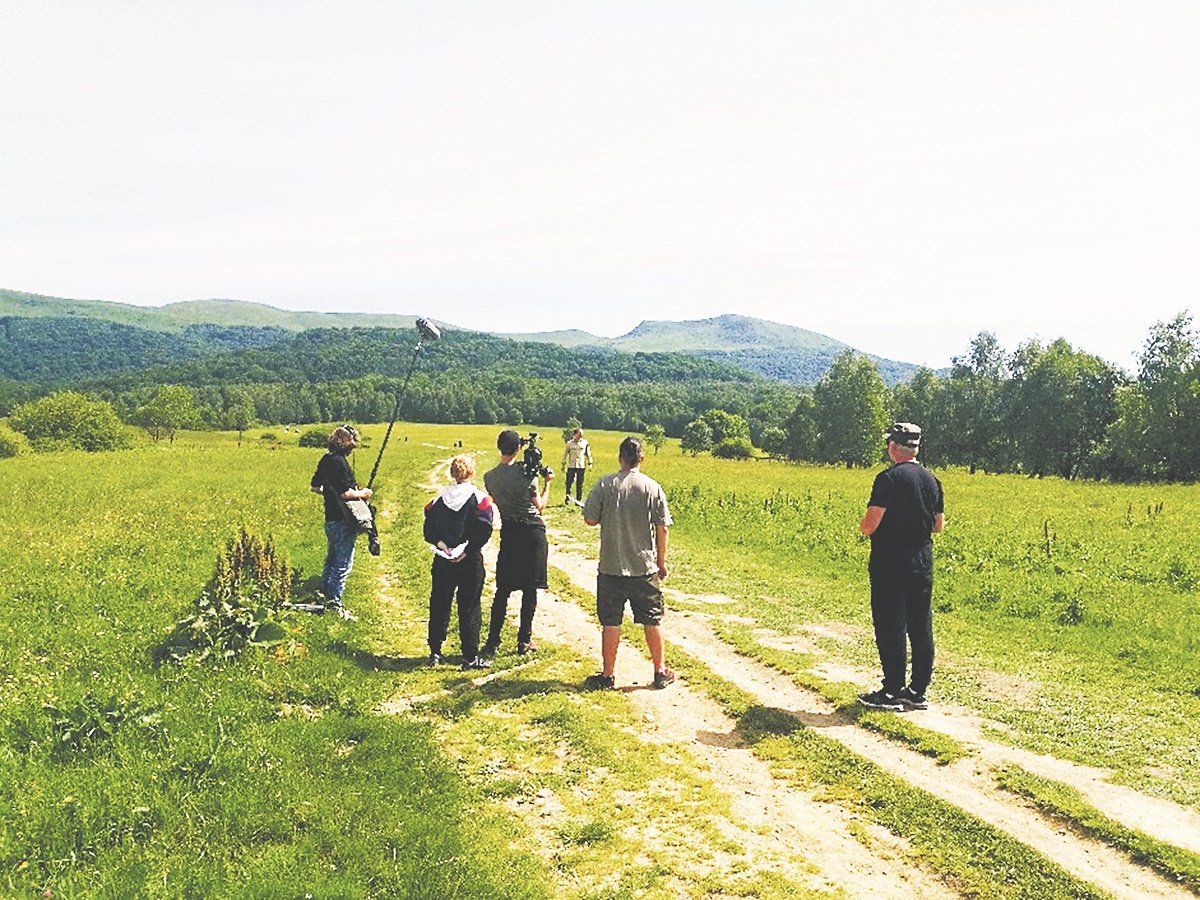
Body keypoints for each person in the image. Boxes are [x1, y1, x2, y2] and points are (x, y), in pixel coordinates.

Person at [858, 422, 945, 711]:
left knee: (891, 625)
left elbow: (870, 525)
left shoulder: (888, 479)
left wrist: (863, 525)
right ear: (916, 448)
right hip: (922, 562)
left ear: (893, 447)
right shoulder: (932, 480)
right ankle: (917, 691)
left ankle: (892, 690)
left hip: (890, 563)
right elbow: (938, 526)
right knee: (920, 626)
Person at [581, 436, 674, 690]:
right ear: (641, 458)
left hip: (610, 566)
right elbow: (662, 528)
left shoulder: (605, 484)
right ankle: (660, 671)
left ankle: (608, 674)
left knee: (611, 621)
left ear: (619, 457)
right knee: (652, 619)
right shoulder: (653, 487)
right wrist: (661, 562)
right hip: (644, 567)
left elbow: (590, 519)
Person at [481, 430, 553, 659]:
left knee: (503, 590)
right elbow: (539, 505)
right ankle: (524, 640)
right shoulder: (527, 475)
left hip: (510, 531)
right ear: (518, 449)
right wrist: (547, 483)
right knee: (530, 589)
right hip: (532, 532)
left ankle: (492, 640)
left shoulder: (489, 477)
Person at [424, 455, 495, 669]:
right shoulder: (479, 499)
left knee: (439, 603)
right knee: (469, 605)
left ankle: (435, 651)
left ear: (452, 473)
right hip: (469, 559)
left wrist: (441, 544)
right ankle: (470, 655)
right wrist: (468, 549)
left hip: (444, 558)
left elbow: (429, 528)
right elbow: (485, 528)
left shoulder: (439, 499)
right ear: (471, 473)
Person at [309, 425, 372, 620]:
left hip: (330, 518)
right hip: (343, 519)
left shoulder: (326, 460)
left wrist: (330, 492)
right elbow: (346, 493)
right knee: (343, 564)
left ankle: (324, 596)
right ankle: (335, 605)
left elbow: (315, 487)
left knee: (331, 558)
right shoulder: (340, 463)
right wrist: (363, 493)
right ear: (347, 442)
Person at [561, 427, 593, 505]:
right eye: (580, 433)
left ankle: (578, 500)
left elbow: (588, 454)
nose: (581, 435)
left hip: (581, 466)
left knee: (579, 484)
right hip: (571, 466)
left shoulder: (585, 443)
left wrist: (590, 463)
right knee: (569, 483)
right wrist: (563, 464)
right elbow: (565, 454)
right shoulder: (569, 444)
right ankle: (568, 497)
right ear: (575, 434)